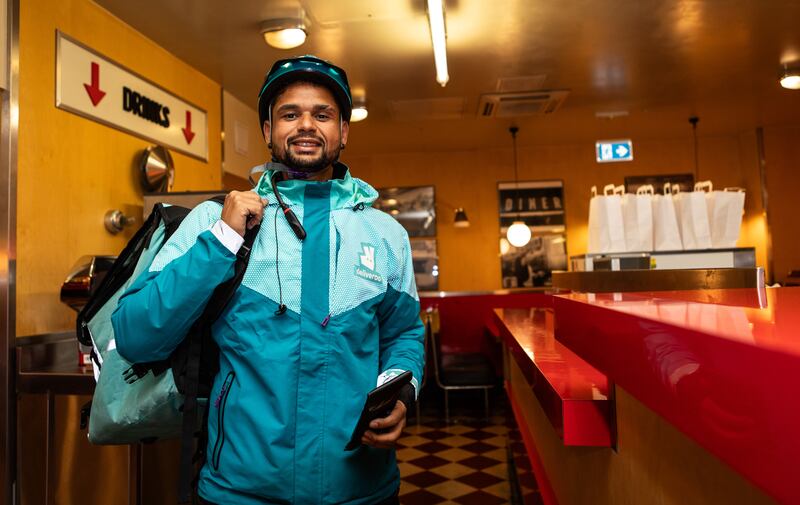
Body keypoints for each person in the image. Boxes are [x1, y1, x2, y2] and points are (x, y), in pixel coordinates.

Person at [112, 55, 425, 505]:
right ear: (267, 130)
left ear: (343, 131)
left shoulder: (386, 234)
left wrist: (401, 390)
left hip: (361, 491)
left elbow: (404, 334)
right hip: (240, 491)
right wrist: (222, 241)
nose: (306, 125)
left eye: (322, 115)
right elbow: (136, 335)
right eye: (289, 114)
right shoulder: (213, 221)